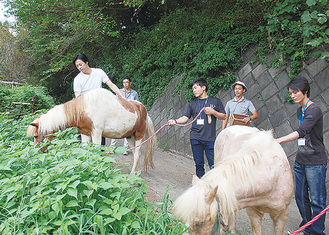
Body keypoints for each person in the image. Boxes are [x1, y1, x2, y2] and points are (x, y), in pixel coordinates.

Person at [276, 76, 327, 235]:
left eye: (295, 92)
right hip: (300, 161)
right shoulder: (300, 110)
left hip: (315, 162)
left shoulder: (314, 109)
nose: (292, 96)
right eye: (290, 93)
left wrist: (278, 140)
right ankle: (307, 226)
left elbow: (302, 131)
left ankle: (317, 231)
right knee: (300, 196)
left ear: (305, 92)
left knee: (317, 200)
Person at [168, 78, 226, 178]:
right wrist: (175, 121)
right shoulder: (192, 104)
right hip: (195, 138)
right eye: (192, 88)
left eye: (195, 87)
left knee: (213, 165)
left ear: (203, 88)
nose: (194, 90)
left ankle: (216, 184)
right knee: (199, 164)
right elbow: (185, 118)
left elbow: (224, 116)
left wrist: (213, 112)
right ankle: (201, 185)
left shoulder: (215, 101)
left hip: (210, 138)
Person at [73, 53, 125, 144]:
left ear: (86, 62)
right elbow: (78, 96)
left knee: (100, 134)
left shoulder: (99, 72)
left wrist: (123, 97)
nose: (79, 67)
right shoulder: (77, 79)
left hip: (99, 107)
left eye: (80, 64)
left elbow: (111, 85)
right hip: (86, 108)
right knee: (82, 138)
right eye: (77, 66)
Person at [110, 77, 139, 154]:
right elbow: (115, 102)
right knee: (115, 129)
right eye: (124, 82)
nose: (125, 84)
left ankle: (125, 149)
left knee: (127, 131)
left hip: (129, 115)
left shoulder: (134, 93)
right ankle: (112, 147)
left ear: (130, 83)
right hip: (119, 114)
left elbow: (137, 104)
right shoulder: (119, 92)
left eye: (126, 82)